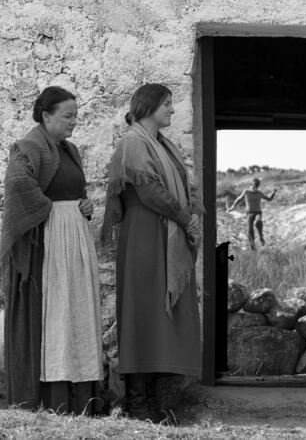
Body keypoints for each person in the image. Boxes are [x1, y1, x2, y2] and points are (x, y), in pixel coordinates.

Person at [101, 83, 202, 422]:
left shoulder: (163, 145)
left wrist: (187, 216)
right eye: (167, 104)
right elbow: (149, 192)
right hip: (145, 235)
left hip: (163, 232)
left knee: (161, 318)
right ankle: (137, 402)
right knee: (142, 312)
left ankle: (153, 401)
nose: (172, 109)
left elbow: (179, 187)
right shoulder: (134, 142)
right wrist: (185, 218)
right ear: (148, 107)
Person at [1, 86, 103, 414]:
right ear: (46, 116)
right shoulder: (28, 148)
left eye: (76, 115)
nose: (74, 121)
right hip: (47, 246)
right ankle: (52, 401)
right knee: (54, 317)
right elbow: (17, 185)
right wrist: (53, 210)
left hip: (73, 245)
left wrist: (83, 205)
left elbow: (74, 191)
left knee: (75, 315)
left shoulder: (70, 150)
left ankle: (81, 402)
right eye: (68, 116)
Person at [227, 178, 276, 250]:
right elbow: (238, 200)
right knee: (249, 230)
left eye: (255, 188)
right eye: (253, 187)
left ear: (257, 187)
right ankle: (252, 246)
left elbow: (269, 199)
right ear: (250, 185)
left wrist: (273, 193)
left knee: (258, 222)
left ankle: (261, 236)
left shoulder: (259, 193)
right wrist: (232, 207)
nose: (254, 189)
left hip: (258, 212)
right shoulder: (246, 192)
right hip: (249, 213)